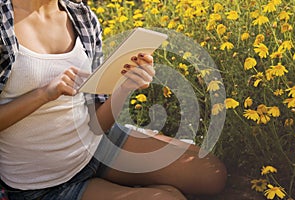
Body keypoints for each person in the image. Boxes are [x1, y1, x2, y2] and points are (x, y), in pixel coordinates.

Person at [0, 0, 227, 199]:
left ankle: (129, 182)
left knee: (212, 175)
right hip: (45, 186)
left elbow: (98, 124)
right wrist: (43, 94)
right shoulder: (4, 24)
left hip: (95, 146)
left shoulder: (81, 17)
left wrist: (125, 86)